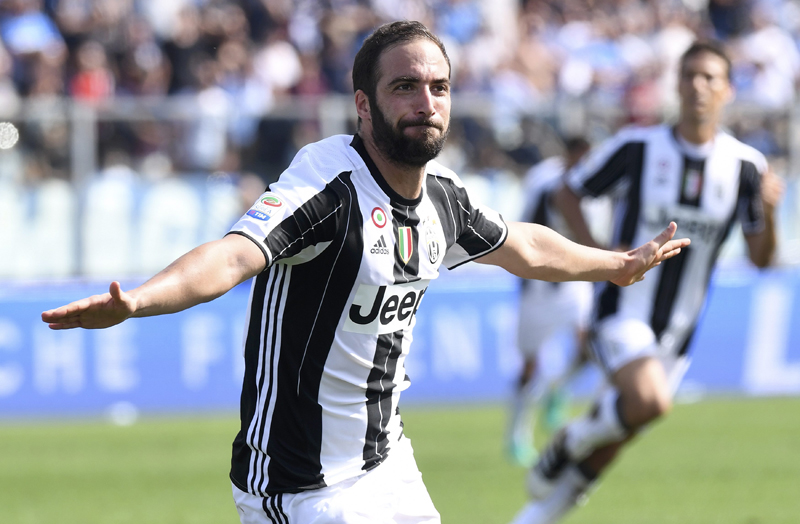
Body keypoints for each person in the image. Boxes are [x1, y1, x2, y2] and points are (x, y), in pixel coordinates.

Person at [41, 21, 688, 524]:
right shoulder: (328, 186)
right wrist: (140, 301)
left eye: (438, 87)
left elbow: (522, 245)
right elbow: (234, 255)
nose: (425, 102)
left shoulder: (443, 197)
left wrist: (615, 265)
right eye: (404, 86)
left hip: (387, 464)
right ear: (363, 104)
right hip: (301, 486)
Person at [511, 40, 785, 524]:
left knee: (616, 440)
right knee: (649, 401)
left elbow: (763, 261)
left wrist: (768, 213)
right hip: (622, 309)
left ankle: (535, 516)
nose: (698, 87)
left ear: (728, 90)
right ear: (676, 85)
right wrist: (602, 254)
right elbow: (568, 191)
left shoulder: (746, 168)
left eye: (710, 78)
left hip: (679, 329)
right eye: (690, 76)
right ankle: (568, 440)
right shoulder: (637, 147)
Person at [506, 136, 594, 467]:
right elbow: (524, 230)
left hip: (574, 281)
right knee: (530, 365)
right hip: (540, 284)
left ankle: (559, 391)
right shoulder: (545, 182)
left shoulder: (593, 184)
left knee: (589, 346)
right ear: (570, 155)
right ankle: (517, 436)